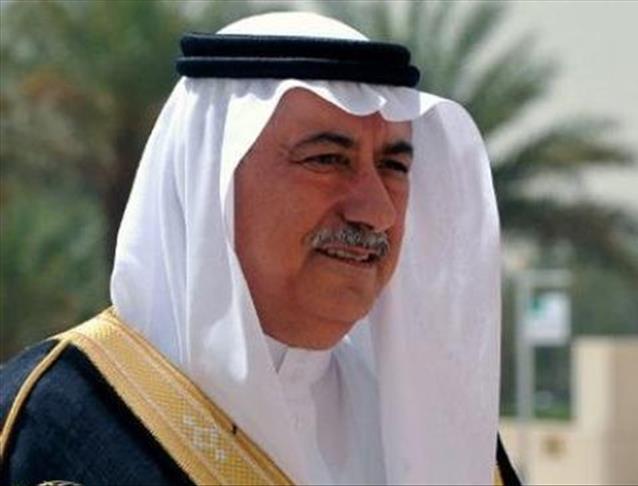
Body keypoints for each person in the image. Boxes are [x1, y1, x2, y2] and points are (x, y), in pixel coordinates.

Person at [0, 12, 520, 486]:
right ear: (211, 181)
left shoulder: (432, 433)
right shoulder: (56, 420)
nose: (376, 211)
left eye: (393, 166)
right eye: (326, 160)